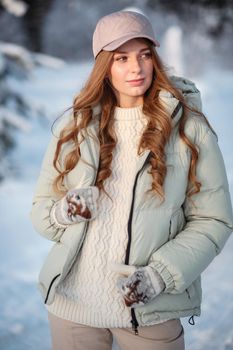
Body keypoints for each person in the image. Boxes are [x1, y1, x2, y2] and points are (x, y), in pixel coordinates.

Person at [30, 10, 233, 350]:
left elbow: (213, 219)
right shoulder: (75, 129)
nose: (135, 68)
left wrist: (159, 275)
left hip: (149, 311)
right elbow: (41, 212)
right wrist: (65, 212)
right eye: (121, 58)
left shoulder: (188, 129)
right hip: (73, 309)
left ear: (155, 59)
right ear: (104, 66)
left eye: (144, 55)